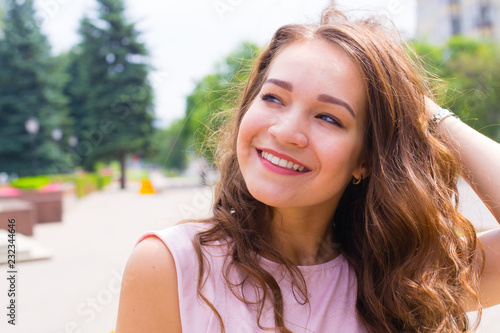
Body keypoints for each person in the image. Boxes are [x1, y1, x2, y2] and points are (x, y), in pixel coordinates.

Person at [115, 7, 500, 333]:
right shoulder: (171, 267)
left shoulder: (404, 277)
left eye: (329, 118)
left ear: (365, 159)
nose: (285, 132)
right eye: (273, 98)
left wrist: (424, 113)